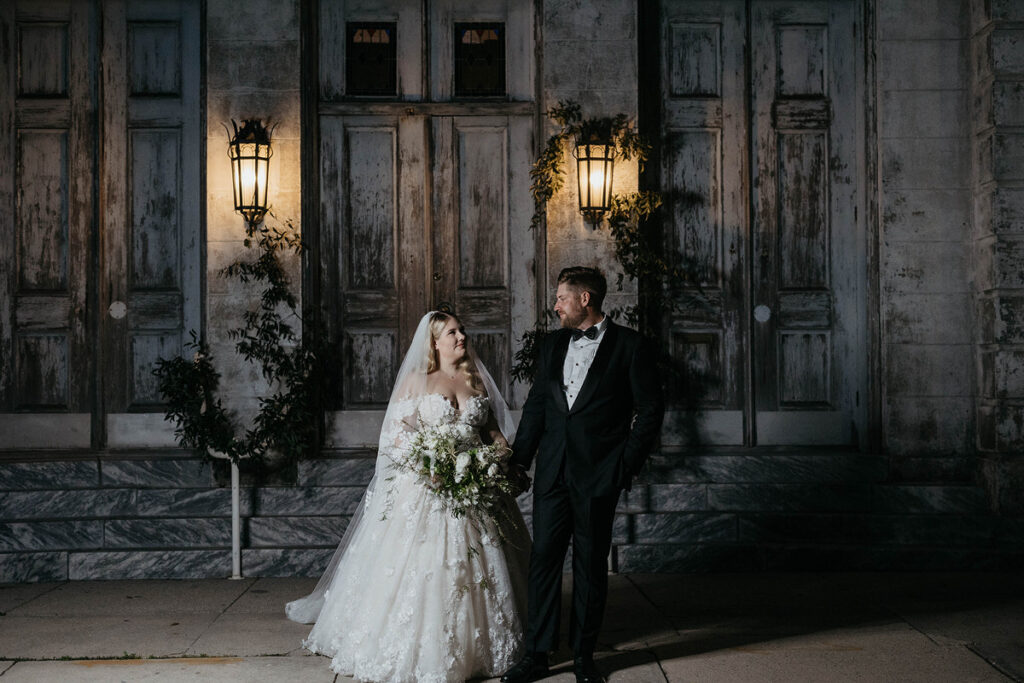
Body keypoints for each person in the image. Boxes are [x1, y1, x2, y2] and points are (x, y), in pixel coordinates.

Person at [286, 311, 531, 682]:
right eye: (452, 332)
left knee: (484, 565)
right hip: (429, 486)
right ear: (434, 342)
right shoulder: (417, 381)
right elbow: (396, 435)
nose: (461, 336)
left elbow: (493, 432)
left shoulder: (474, 378)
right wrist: (430, 463)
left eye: (462, 330)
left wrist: (497, 456)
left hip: (476, 486)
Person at [501, 267, 664, 683]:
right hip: (552, 473)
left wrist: (622, 467)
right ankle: (537, 655)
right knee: (543, 563)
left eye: (561, 298)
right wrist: (519, 461)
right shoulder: (553, 344)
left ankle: (582, 658)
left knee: (591, 567)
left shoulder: (631, 346)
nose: (555, 306)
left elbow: (650, 412)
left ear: (585, 299)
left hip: (599, 477)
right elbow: (537, 406)